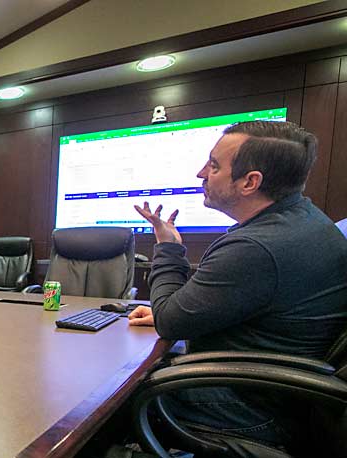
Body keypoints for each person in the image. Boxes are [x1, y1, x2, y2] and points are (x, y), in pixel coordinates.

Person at [128, 121, 347, 446]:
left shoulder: (256, 247)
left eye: (214, 165)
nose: (201, 173)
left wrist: (168, 247)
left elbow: (169, 321)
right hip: (289, 397)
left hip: (252, 408)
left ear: (250, 182)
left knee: (110, 401)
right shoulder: (306, 222)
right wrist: (185, 310)